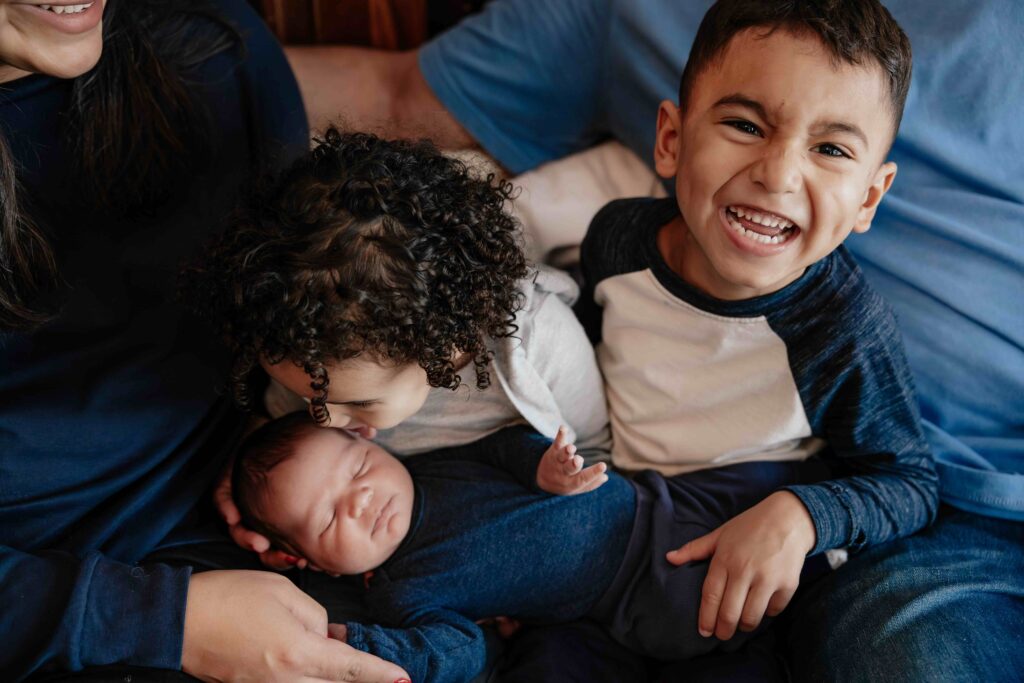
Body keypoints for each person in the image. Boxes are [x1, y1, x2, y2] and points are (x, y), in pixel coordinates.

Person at [286, 0, 1024, 679]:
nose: (776, 173)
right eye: (744, 126)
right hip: (611, 536)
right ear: (670, 139)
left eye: (831, 150)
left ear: (868, 197)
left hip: (738, 571)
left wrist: (801, 517)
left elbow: (908, 481)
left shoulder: (838, 327)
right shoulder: (618, 240)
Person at [0, 1, 406, 681]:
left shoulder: (214, 43)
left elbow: (289, 300)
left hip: (255, 517)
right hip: (48, 599)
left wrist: (260, 434)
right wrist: (164, 620)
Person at [231, 415, 836, 683]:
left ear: (371, 442)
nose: (362, 499)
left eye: (359, 467)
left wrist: (543, 469)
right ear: (301, 560)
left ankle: (837, 527)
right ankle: (813, 594)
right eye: (332, 514)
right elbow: (461, 650)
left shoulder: (431, 467)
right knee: (717, 603)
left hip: (657, 498)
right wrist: (365, 644)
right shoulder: (400, 592)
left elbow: (502, 447)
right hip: (634, 590)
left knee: (772, 479)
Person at [184, 128, 610, 487]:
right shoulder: (305, 351)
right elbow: (274, 429)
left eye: (361, 404)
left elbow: (595, 450)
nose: (326, 420)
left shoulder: (539, 340)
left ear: (443, 347)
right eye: (306, 396)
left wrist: (564, 479)